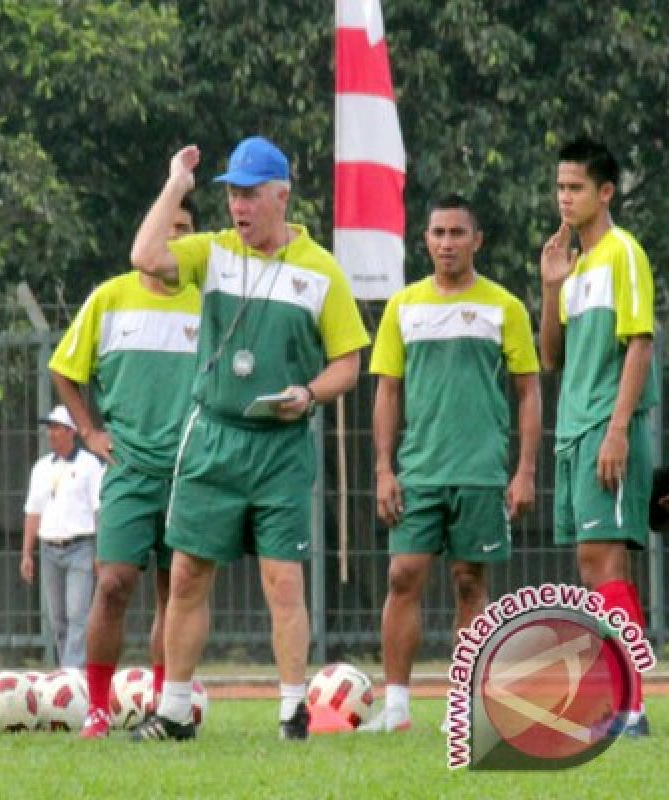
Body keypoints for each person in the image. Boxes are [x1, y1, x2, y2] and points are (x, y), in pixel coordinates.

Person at [128, 137, 369, 742]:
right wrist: (175, 185)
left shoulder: (321, 271)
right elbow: (144, 255)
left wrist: (308, 395)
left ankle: (293, 710)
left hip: (280, 444)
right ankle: (174, 711)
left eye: (250, 193)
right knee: (187, 574)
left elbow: (349, 363)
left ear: (281, 196)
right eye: (232, 193)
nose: (239, 205)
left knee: (282, 580)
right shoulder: (211, 253)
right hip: (212, 435)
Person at [367, 194, 541, 732]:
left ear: (476, 240)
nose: (447, 243)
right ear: (425, 240)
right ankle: (395, 708)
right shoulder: (403, 306)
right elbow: (387, 392)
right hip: (419, 472)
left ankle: (462, 704)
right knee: (403, 577)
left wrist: (525, 471)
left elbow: (529, 392)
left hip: (481, 473)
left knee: (470, 583)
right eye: (438, 233)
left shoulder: (505, 306)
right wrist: (384, 469)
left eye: (457, 233)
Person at [47, 198, 202, 738]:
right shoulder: (110, 298)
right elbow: (64, 369)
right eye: (165, 226)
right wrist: (89, 431)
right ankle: (97, 709)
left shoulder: (210, 303)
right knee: (113, 584)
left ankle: (166, 706)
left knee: (176, 592)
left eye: (183, 229)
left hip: (191, 473)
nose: (172, 237)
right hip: (130, 471)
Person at [539, 136, 657, 737]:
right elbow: (551, 357)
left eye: (576, 187)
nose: (564, 198)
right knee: (594, 567)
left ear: (605, 192)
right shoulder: (577, 266)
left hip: (607, 431)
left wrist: (617, 432)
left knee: (602, 558)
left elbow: (640, 341)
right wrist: (552, 286)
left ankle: (630, 706)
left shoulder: (623, 254)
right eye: (560, 187)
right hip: (574, 433)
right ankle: (622, 700)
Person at [21, 406, 105, 669]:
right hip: (49, 549)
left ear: (71, 432)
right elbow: (33, 511)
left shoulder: (90, 465)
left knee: (77, 614)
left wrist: (100, 552)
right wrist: (27, 553)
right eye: (50, 428)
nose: (51, 434)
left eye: (56, 428)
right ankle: (68, 668)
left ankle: (71, 674)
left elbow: (97, 510)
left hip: (80, 546)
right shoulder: (41, 468)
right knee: (58, 618)